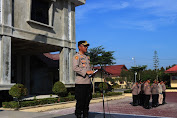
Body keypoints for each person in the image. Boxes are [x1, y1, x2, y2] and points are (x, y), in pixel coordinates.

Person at [73, 41, 94, 118]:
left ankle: (86, 115)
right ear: (79, 47)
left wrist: (92, 73)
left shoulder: (87, 57)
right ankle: (78, 115)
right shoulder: (76, 56)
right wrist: (86, 72)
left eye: (87, 46)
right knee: (80, 102)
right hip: (80, 83)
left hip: (88, 83)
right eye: (84, 46)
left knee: (87, 101)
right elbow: (75, 68)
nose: (86, 48)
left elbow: (89, 69)